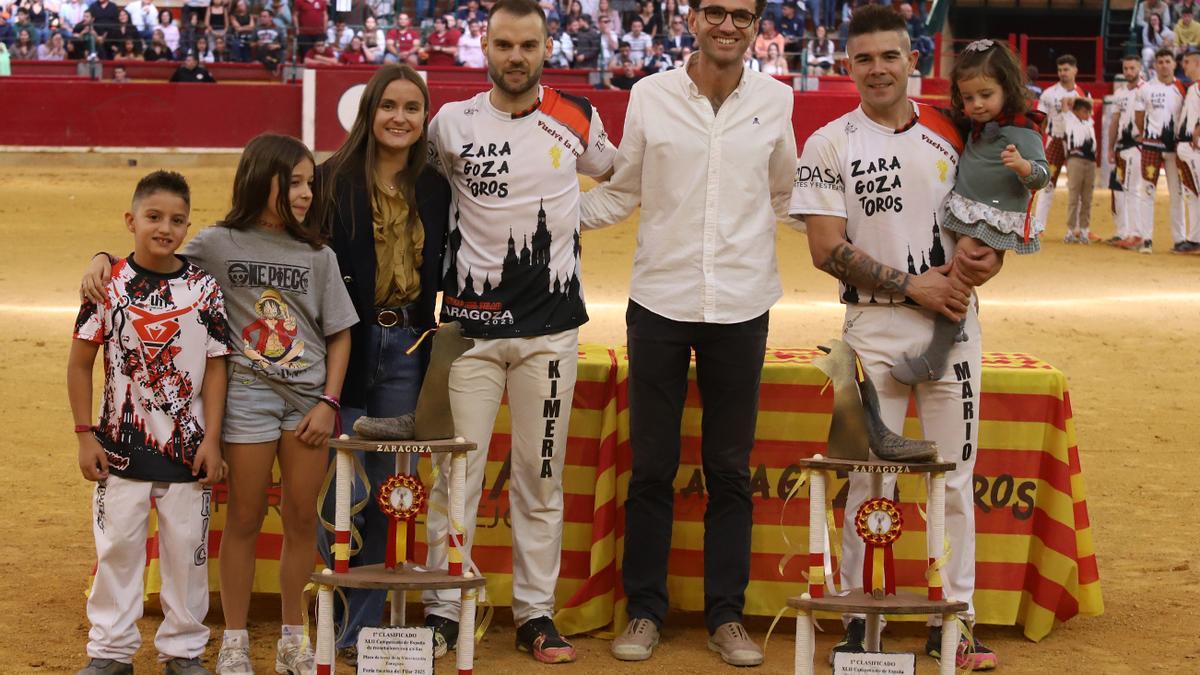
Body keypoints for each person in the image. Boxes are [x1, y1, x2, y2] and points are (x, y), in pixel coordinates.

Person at [81, 134, 359, 675]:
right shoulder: (216, 242)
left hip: (307, 405)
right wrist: (103, 259)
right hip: (247, 400)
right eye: (295, 182)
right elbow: (157, 257)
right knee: (246, 519)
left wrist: (329, 401)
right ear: (263, 180)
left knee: (303, 518)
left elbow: (341, 333)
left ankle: (293, 639)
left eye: (310, 182)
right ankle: (232, 640)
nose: (306, 193)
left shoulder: (318, 254)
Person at [580, 0, 795, 666]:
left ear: (756, 26)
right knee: (651, 467)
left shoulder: (776, 101)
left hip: (743, 302)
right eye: (713, 12)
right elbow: (621, 191)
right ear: (693, 20)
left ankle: (725, 616)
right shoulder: (649, 95)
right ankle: (644, 610)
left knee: (729, 470)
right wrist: (527, 212)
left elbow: (788, 197)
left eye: (740, 14)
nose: (726, 25)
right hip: (660, 302)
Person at [789, 6, 1003, 671]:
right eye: (863, 59)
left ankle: (957, 622)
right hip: (871, 327)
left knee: (955, 479)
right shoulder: (828, 141)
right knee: (867, 479)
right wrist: (917, 287)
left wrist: (987, 262)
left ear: (914, 59)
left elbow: (995, 212)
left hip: (953, 324)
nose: (877, 69)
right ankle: (862, 623)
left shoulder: (957, 129)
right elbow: (826, 248)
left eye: (889, 56)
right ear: (846, 66)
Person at [420, 0, 616, 663]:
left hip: (550, 333)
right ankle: (444, 608)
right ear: (485, 47)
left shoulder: (577, 118)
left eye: (527, 44)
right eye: (504, 44)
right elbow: (420, 195)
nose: (515, 56)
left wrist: (567, 217)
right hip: (467, 332)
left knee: (541, 476)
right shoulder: (451, 123)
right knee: (457, 475)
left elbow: (619, 181)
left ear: (546, 47)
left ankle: (534, 613)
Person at [311, 64, 451, 668]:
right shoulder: (327, 181)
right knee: (344, 490)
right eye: (389, 106)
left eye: (412, 108)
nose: (400, 118)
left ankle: (364, 637)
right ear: (369, 112)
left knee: (394, 492)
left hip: (410, 351)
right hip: (344, 347)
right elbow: (259, 237)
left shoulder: (438, 188)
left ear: (425, 119)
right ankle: (341, 618)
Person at [69, 170, 229, 675]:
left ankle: (183, 652)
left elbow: (219, 365)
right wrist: (83, 435)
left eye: (177, 220)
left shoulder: (203, 288)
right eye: (154, 217)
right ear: (130, 219)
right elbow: (79, 363)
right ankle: (111, 652)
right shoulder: (108, 284)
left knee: (187, 556)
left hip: (188, 449)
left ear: (188, 226)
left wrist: (214, 441)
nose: (165, 228)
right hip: (118, 449)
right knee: (117, 549)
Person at [889, 39, 1048, 386]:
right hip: (973, 212)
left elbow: (1042, 175)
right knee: (958, 270)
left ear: (1007, 88)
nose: (976, 105)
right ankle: (960, 324)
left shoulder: (1022, 130)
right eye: (968, 97)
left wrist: (1022, 167)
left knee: (959, 273)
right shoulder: (978, 126)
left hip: (991, 217)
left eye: (985, 96)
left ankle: (936, 355)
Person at [1127, 48, 1185, 253]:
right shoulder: (1146, 89)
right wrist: (1144, 136)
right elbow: (1139, 117)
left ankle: (1180, 239)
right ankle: (1147, 239)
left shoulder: (1181, 88)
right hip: (1151, 145)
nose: (1164, 65)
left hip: (1174, 147)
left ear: (1174, 64)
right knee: (1148, 191)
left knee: (1176, 193)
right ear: (1155, 65)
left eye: (1167, 61)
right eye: (1160, 62)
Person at [1032, 54, 1088, 243]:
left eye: (1066, 69)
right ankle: (1038, 227)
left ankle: (1079, 229)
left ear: (1075, 70)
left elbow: (1088, 120)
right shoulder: (1049, 94)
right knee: (1047, 185)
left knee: (1078, 187)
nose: (1063, 73)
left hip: (1077, 143)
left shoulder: (1083, 93)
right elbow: (1040, 119)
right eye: (1060, 70)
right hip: (1055, 140)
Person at [1109, 55, 1145, 245]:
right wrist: (1110, 147)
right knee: (1118, 190)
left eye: (1132, 68)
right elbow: (1114, 121)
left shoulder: (1145, 89)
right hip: (1121, 147)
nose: (1129, 72)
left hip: (1136, 146)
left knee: (1132, 189)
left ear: (1139, 68)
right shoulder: (1120, 93)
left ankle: (1136, 233)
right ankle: (1123, 231)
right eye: (1126, 68)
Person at [1174, 48, 1200, 252]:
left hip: (1195, 147)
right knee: (1191, 194)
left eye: (1187, 62)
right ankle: (1194, 238)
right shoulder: (1192, 87)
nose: (1184, 66)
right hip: (1185, 147)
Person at [1063, 97, 1097, 243]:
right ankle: (1071, 230)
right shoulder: (1070, 120)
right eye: (1084, 111)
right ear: (1075, 111)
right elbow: (1065, 102)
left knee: (1087, 198)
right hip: (1075, 160)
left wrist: (1086, 104)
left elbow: (1092, 106)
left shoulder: (1089, 123)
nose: (1087, 114)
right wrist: (1074, 101)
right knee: (1074, 196)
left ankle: (1084, 229)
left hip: (1090, 162)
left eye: (1088, 112)